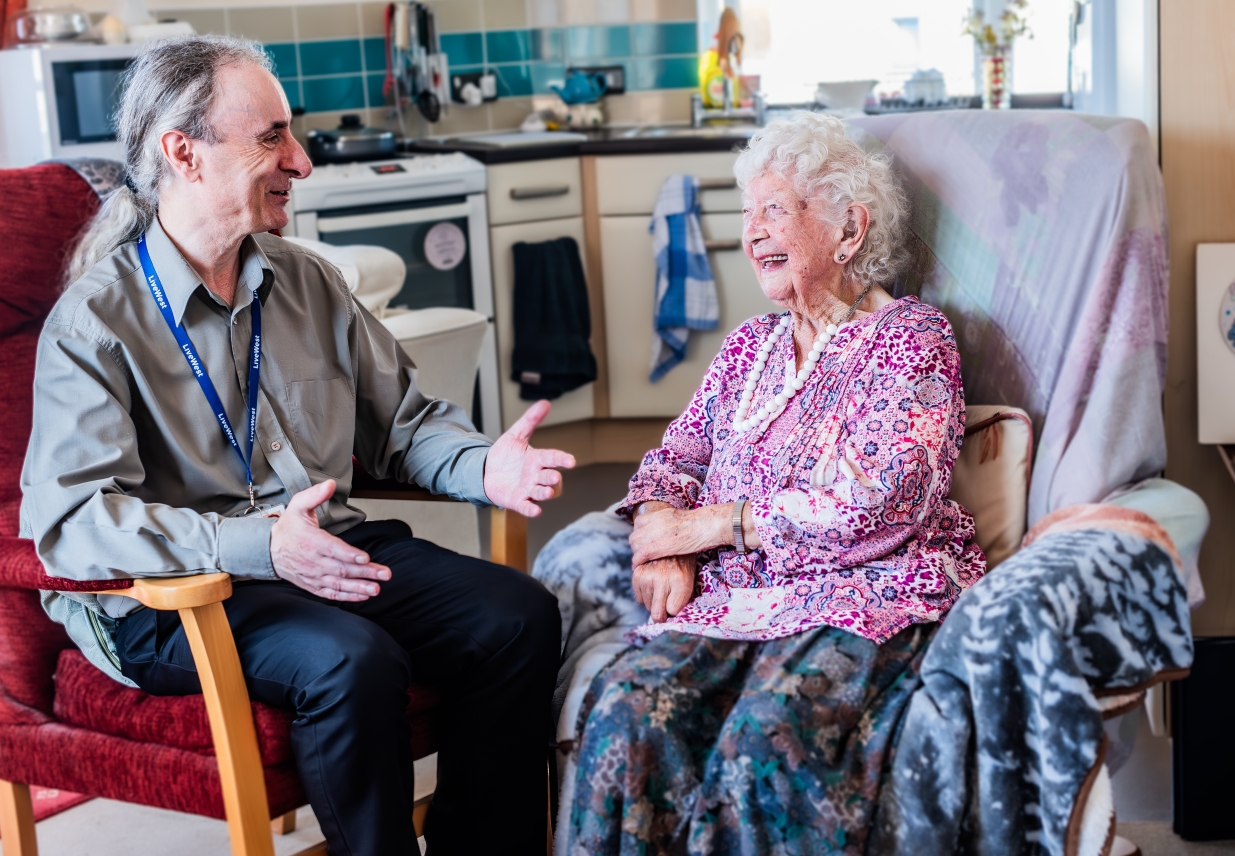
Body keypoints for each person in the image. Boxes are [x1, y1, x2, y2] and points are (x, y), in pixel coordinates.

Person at [20, 36, 571, 856]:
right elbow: (74, 522)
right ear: (184, 153)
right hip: (174, 596)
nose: (302, 161)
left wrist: (482, 464)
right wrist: (261, 545)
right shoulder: (95, 323)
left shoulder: (305, 280)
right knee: (351, 661)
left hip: (323, 551)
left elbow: (405, 426)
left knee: (518, 615)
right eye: (271, 136)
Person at [566, 113, 987, 854]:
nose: (749, 232)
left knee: (761, 744)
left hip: (862, 599)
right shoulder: (747, 348)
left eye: (773, 210)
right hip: (734, 599)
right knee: (629, 709)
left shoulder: (911, 339)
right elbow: (673, 460)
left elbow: (882, 502)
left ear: (847, 228)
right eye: (744, 214)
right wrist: (662, 536)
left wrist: (707, 526)